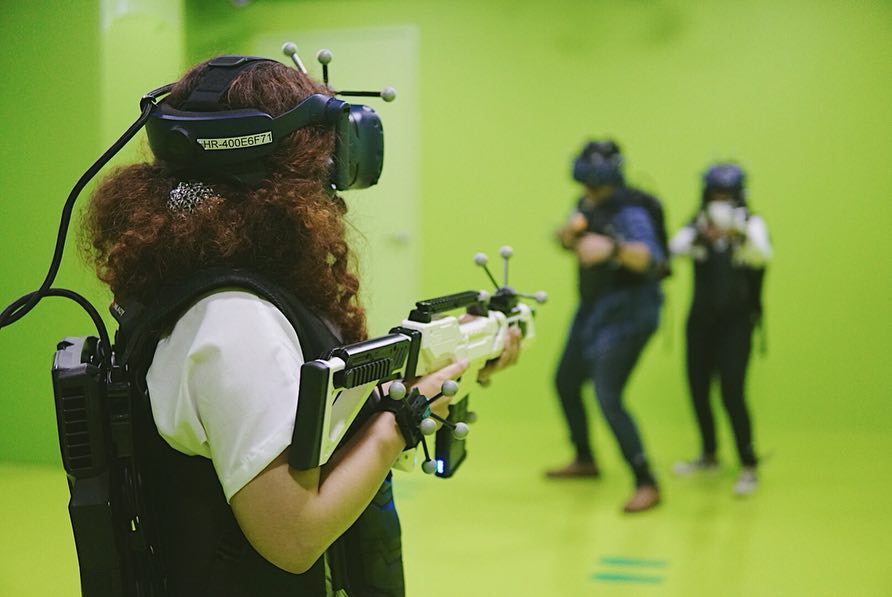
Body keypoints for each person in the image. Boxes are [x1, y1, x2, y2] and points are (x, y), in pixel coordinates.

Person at [81, 56, 519, 596]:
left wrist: (457, 354)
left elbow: (306, 408)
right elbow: (292, 535)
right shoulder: (236, 321)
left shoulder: (204, 285)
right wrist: (401, 422)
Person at [547, 140, 668, 513]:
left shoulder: (631, 212)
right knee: (566, 381)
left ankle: (646, 481)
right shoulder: (587, 205)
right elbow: (570, 240)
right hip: (593, 308)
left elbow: (652, 258)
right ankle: (585, 458)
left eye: (594, 183)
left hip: (630, 310)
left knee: (608, 395)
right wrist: (568, 236)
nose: (588, 190)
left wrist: (613, 249)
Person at [668, 162, 771, 496]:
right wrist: (701, 235)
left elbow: (763, 255)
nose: (721, 201)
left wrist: (737, 235)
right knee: (698, 389)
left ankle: (748, 463)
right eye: (716, 194)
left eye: (727, 195)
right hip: (700, 323)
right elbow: (672, 251)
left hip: (736, 325)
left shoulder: (751, 225)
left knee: (732, 392)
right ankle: (708, 454)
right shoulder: (698, 225)